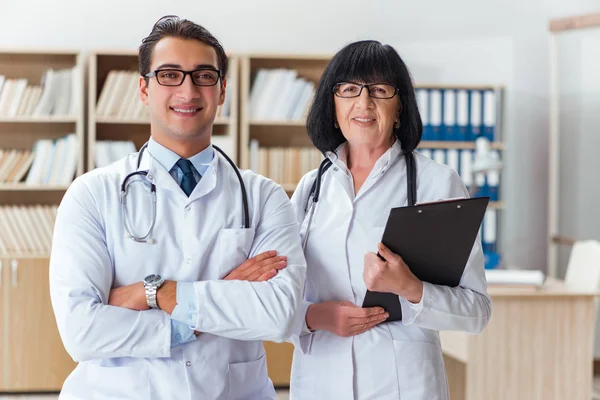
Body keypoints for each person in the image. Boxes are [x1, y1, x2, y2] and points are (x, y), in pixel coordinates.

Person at [49, 15, 306, 400]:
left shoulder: (264, 197)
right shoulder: (91, 195)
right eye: (170, 75)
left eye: (204, 76)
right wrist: (221, 298)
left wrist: (152, 294)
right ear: (143, 88)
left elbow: (280, 314)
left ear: (221, 91)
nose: (188, 91)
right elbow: (82, 332)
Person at [288, 40, 492, 400]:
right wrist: (315, 316)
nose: (363, 103)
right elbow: (280, 299)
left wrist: (411, 288)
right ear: (333, 105)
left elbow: (476, 313)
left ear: (399, 108)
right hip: (320, 380)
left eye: (380, 90)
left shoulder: (437, 183)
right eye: (349, 89)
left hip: (402, 386)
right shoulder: (311, 188)